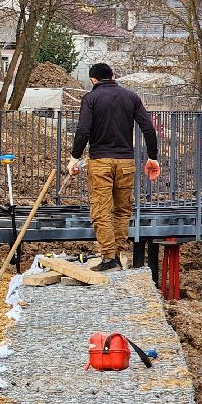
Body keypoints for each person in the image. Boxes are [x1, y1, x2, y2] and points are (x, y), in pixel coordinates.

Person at [67, 62, 161, 272]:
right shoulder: (131, 97)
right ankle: (116, 255)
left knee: (101, 210)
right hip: (126, 162)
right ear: (113, 75)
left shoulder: (90, 98)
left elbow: (83, 131)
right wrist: (152, 157)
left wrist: (75, 158)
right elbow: (148, 128)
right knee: (121, 210)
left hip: (100, 162)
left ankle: (109, 257)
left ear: (93, 80)